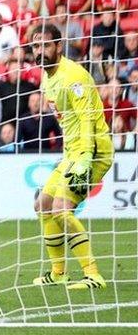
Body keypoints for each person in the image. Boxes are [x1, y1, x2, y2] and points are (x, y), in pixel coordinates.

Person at [30, 23, 113, 289]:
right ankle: (58, 273)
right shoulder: (47, 76)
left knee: (61, 210)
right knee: (43, 204)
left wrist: (85, 157)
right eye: (35, 46)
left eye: (45, 45)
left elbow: (87, 119)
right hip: (71, 152)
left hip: (93, 151)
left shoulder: (73, 76)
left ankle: (93, 275)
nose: (39, 51)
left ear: (58, 46)